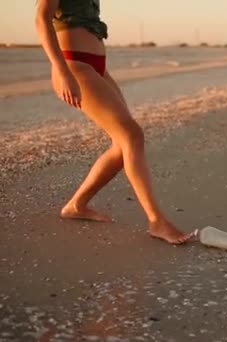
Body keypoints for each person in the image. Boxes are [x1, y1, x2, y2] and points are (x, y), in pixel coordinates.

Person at [35, 0, 193, 244]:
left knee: (124, 144)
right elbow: (41, 18)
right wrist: (60, 70)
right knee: (132, 136)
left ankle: (76, 205)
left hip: (96, 65)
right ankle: (157, 221)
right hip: (73, 63)